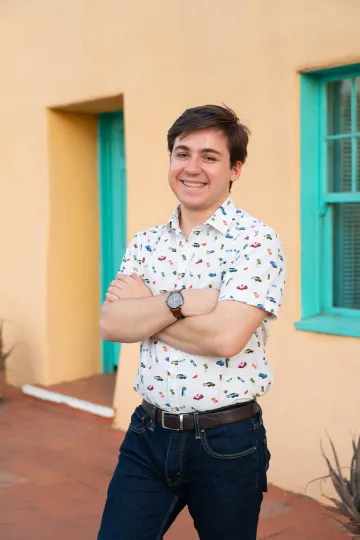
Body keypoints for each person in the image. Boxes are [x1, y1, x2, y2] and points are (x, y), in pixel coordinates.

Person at [97, 104, 286, 540]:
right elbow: (111, 325)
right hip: (146, 435)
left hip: (226, 443)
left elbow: (225, 338)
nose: (192, 168)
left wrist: (148, 309)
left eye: (210, 156)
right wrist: (183, 302)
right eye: (182, 153)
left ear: (235, 169)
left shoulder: (256, 242)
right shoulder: (145, 242)